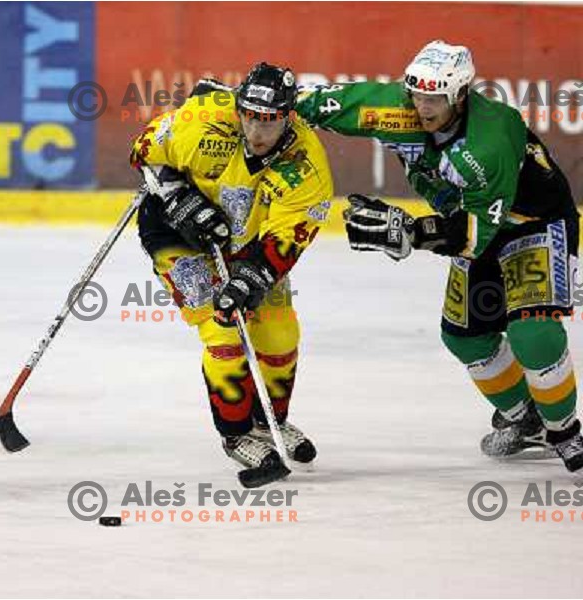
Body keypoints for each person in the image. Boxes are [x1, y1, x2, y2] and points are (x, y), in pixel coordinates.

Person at [296, 41, 583, 472]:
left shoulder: (489, 141)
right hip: (473, 221)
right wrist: (247, 104)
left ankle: (565, 431)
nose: (422, 107)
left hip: (532, 223)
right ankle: (527, 420)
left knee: (533, 333)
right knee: (464, 336)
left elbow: (473, 235)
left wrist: (413, 231)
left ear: (460, 95)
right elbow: (321, 105)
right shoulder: (398, 106)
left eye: (435, 98)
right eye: (417, 94)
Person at [130, 62, 334, 486]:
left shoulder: (306, 163)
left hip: (246, 245)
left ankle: (267, 422)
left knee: (279, 334)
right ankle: (236, 433)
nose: (258, 132)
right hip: (174, 233)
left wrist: (249, 279)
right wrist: (177, 196)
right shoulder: (201, 121)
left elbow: (287, 239)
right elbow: (143, 152)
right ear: (238, 108)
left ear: (289, 116)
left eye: (270, 121)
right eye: (250, 117)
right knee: (221, 328)